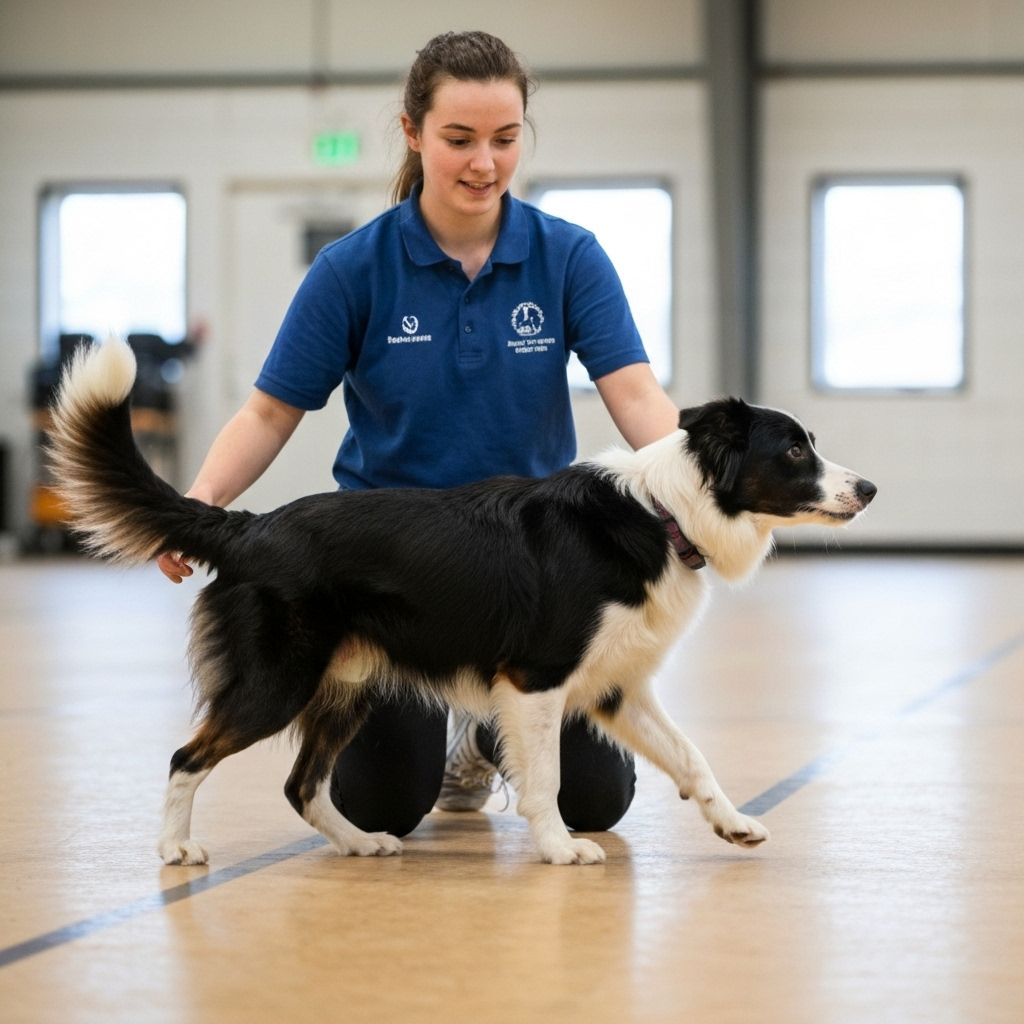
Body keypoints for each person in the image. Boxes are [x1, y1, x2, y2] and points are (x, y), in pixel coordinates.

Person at [158, 30, 680, 840]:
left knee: (595, 804)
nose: (485, 164)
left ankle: (482, 738)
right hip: (394, 571)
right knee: (381, 807)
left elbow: (637, 395)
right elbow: (269, 411)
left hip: (533, 568)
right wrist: (201, 501)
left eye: (505, 140)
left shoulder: (569, 256)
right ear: (412, 132)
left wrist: (696, 492)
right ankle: (449, 735)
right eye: (459, 140)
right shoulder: (352, 269)